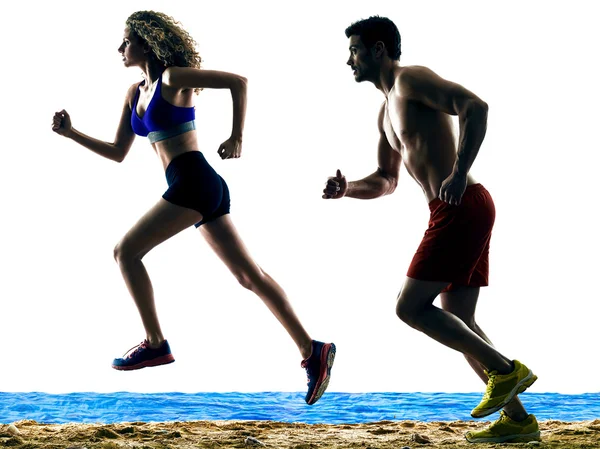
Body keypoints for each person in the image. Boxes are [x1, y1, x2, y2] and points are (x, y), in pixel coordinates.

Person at [51, 10, 335, 406]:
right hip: (198, 188)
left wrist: (237, 136)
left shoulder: (172, 78)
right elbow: (118, 152)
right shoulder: (135, 93)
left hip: (195, 182)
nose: (120, 48)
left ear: (146, 42)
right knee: (250, 277)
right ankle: (312, 350)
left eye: (126, 41)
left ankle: (155, 343)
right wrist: (71, 133)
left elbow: (239, 82)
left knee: (125, 252)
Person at [323, 16, 539, 442]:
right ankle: (519, 422)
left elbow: (475, 107)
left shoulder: (411, 80)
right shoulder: (385, 111)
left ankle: (508, 370)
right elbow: (386, 181)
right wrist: (347, 188)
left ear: (378, 49)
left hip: (461, 205)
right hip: (455, 210)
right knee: (458, 318)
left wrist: (460, 171)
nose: (348, 59)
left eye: (354, 50)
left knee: (410, 308)